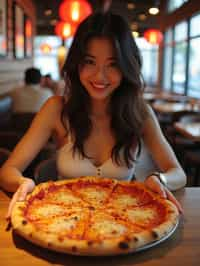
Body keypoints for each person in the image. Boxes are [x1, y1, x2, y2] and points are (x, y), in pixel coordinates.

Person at [0, 12, 186, 219]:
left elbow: (177, 173)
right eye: (89, 61)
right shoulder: (56, 109)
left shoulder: (140, 112)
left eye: (113, 64)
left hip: (123, 223)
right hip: (62, 223)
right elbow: (9, 170)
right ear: (77, 63)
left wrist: (160, 179)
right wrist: (22, 182)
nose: (100, 76)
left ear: (127, 67)